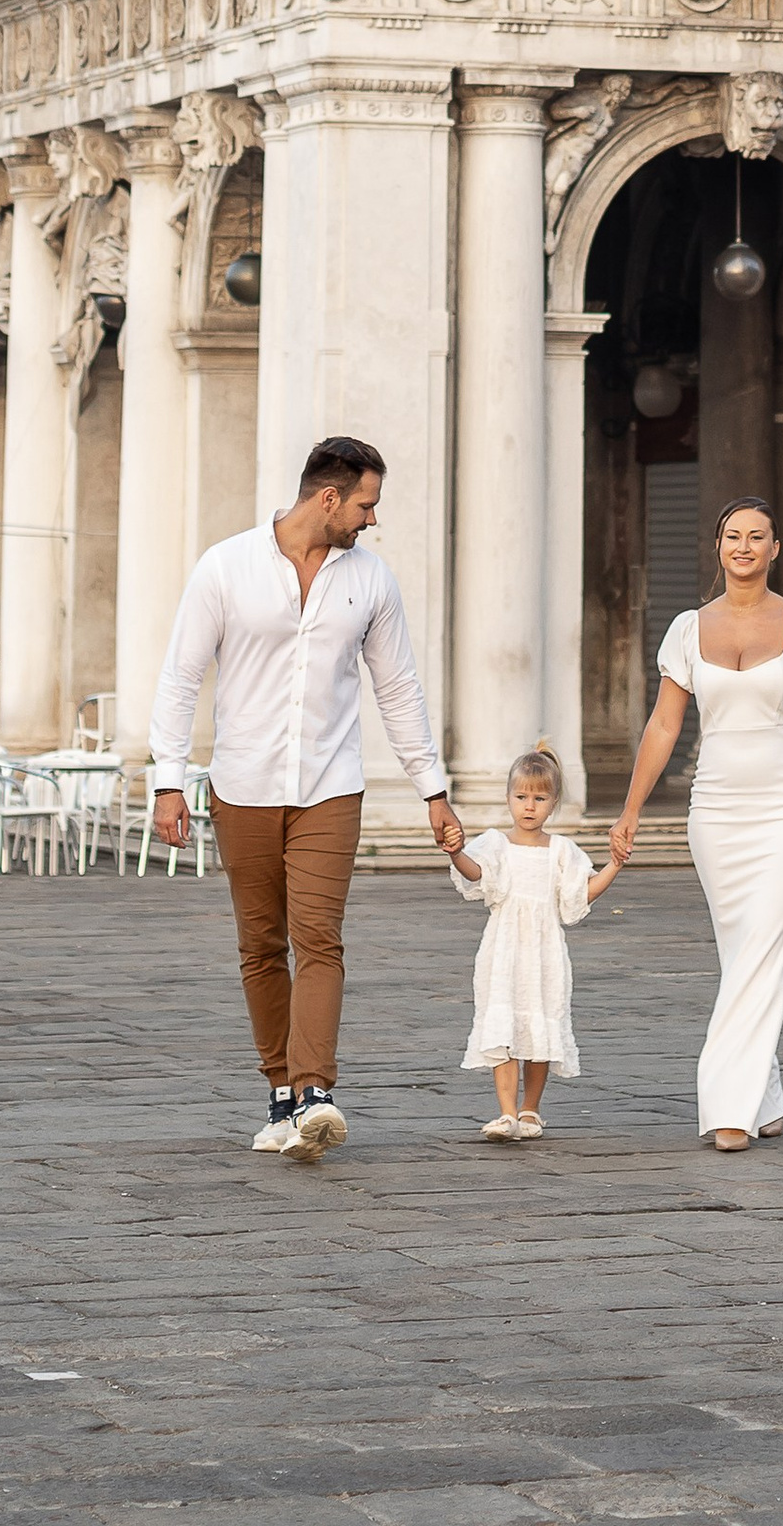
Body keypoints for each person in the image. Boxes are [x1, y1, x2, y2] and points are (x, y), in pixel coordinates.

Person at [149, 432, 463, 1160]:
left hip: (330, 786)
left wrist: (433, 789)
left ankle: (316, 1092)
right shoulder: (224, 567)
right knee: (261, 944)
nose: (371, 519)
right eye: (365, 503)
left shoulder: (372, 579)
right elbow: (180, 675)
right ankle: (280, 1093)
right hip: (243, 786)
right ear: (329, 497)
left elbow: (399, 687)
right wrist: (169, 778)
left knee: (319, 937)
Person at [609, 497, 783, 1150]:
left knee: (762, 943)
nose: (744, 546)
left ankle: (727, 1106)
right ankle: (766, 1096)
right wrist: (630, 809)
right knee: (742, 953)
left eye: (757, 536)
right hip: (717, 812)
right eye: (733, 535)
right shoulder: (685, 629)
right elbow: (664, 725)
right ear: (718, 546)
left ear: (775, 548)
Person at [449, 741, 615, 1140]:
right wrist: (455, 852)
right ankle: (506, 1113)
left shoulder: (562, 851)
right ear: (508, 797)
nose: (529, 806)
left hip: (544, 953)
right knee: (503, 1025)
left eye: (539, 798)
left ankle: (530, 1109)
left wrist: (615, 864)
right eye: (521, 796)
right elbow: (477, 876)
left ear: (553, 802)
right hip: (504, 948)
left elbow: (581, 893)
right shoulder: (495, 844)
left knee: (539, 1027)